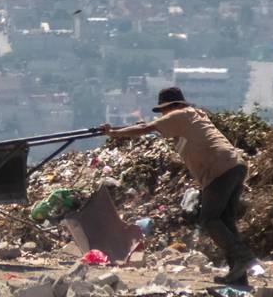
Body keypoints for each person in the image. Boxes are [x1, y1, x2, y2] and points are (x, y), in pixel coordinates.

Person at [100, 86, 257, 284]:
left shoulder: (178, 115)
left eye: (163, 111)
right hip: (234, 165)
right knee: (225, 221)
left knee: (209, 219)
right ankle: (238, 275)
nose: (163, 115)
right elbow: (156, 129)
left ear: (170, 107)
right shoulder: (192, 116)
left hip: (219, 170)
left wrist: (114, 132)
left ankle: (244, 257)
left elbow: (145, 129)